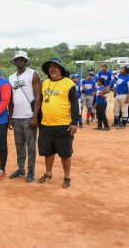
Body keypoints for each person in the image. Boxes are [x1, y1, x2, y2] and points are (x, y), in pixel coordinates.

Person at [37, 58, 79, 188]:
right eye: (50, 67)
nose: (52, 69)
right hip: (46, 125)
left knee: (65, 153)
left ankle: (67, 177)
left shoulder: (69, 84)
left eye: (55, 66)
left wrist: (74, 122)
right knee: (48, 152)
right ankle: (48, 173)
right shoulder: (44, 83)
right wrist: (38, 120)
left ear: (61, 69)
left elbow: (75, 105)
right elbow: (40, 102)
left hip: (63, 125)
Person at [8, 51, 42, 182]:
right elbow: (11, 99)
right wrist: (10, 117)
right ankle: (21, 169)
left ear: (26, 60)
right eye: (17, 59)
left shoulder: (33, 73)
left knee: (31, 146)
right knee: (19, 145)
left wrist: (35, 117)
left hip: (29, 116)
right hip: (16, 116)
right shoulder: (11, 77)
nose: (20, 60)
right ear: (15, 61)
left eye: (22, 58)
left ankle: (31, 171)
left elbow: (38, 96)